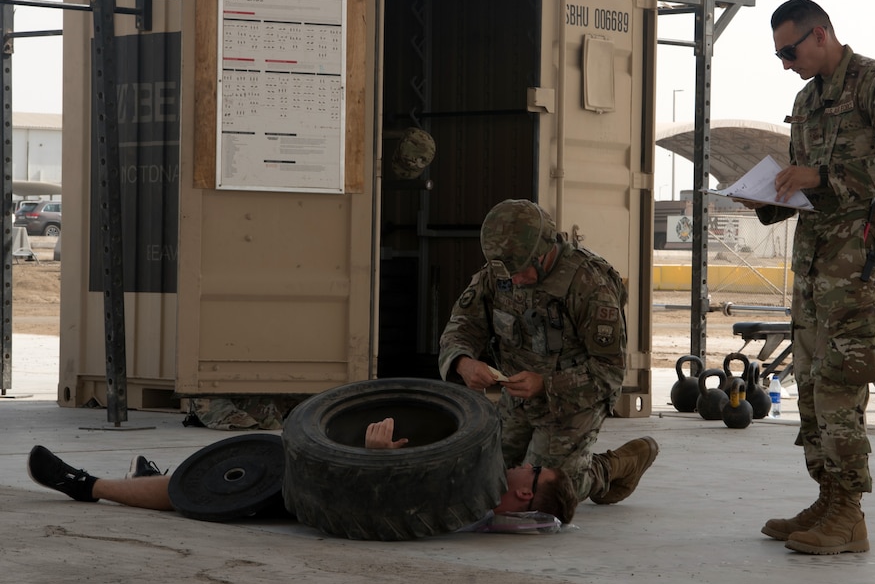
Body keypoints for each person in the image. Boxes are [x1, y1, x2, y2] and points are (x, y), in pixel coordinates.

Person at [750, 0, 875, 555]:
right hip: (813, 264)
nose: (785, 62)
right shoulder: (805, 101)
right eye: (777, 53)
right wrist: (768, 195)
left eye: (789, 49)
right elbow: (809, 187)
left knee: (840, 386)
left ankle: (849, 514)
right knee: (806, 385)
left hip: (856, 264)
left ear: (820, 35)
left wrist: (820, 174)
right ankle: (827, 498)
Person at [438, 199, 658, 506]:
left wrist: (546, 384)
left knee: (548, 493)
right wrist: (463, 362)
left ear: (546, 249)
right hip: (517, 399)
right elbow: (462, 326)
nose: (514, 280)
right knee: (483, 481)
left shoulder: (589, 284)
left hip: (574, 400)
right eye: (508, 273)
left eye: (522, 270)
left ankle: (610, 467)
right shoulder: (499, 273)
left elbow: (610, 372)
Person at [26, 417, 579, 526]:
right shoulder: (485, 487)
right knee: (250, 457)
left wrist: (376, 460)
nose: (520, 465)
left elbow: (401, 512)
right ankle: (159, 473)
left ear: (527, 495)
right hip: (330, 483)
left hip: (315, 504)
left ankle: (85, 485)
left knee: (194, 493)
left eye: (530, 473)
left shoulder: (478, 513)